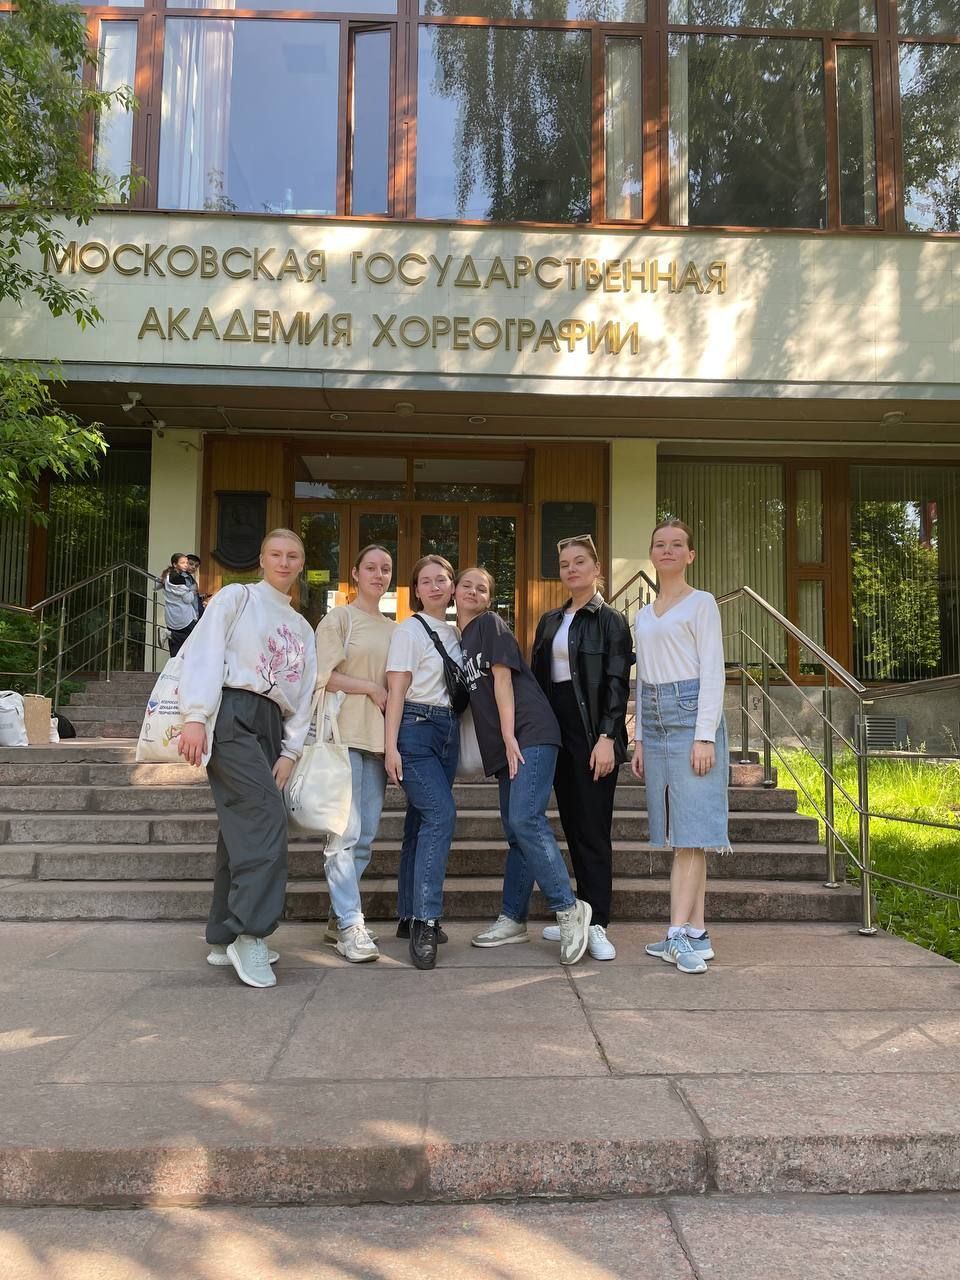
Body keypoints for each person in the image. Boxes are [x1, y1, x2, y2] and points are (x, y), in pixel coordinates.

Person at [177, 528, 317, 989]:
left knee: (242, 825)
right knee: (264, 817)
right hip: (231, 712)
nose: (284, 562)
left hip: (272, 724)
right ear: (261, 558)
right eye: (276, 553)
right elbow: (204, 650)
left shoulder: (301, 626)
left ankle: (224, 935)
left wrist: (291, 750)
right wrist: (195, 716)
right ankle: (251, 933)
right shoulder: (238, 597)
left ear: (301, 564)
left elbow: (303, 694)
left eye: (292, 555)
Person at [456, 568, 592, 965]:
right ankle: (513, 919)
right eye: (467, 585)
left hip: (528, 732)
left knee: (526, 819)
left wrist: (509, 735)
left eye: (482, 587)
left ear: (489, 598)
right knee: (516, 832)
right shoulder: (460, 641)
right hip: (507, 744)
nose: (474, 591)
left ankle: (569, 908)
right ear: (454, 592)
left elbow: (502, 680)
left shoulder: (490, 625)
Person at [530, 535, 633, 961]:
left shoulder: (611, 621)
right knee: (571, 827)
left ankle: (599, 923)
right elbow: (537, 683)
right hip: (556, 734)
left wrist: (607, 737)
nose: (571, 569)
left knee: (593, 830)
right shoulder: (549, 621)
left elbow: (616, 684)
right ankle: (578, 915)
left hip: (593, 736)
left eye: (579, 562)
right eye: (564, 564)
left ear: (596, 569)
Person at [635, 520, 730, 975]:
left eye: (677, 545)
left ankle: (676, 934)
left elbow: (713, 671)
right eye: (660, 544)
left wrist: (704, 735)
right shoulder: (644, 614)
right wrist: (638, 737)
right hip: (655, 722)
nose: (668, 550)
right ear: (652, 554)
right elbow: (642, 678)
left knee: (691, 834)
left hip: (691, 718)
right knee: (682, 833)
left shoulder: (702, 603)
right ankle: (697, 932)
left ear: (690, 555)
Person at [315, 544, 396, 963]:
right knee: (344, 836)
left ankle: (337, 918)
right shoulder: (339, 619)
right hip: (343, 737)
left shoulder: (396, 629)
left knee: (364, 839)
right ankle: (350, 924)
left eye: (386, 569)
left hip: (378, 743)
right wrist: (370, 688)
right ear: (355, 573)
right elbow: (323, 677)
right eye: (371, 568)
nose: (379, 575)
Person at [384, 554, 463, 970]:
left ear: (452, 586)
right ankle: (426, 921)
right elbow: (396, 692)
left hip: (447, 730)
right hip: (415, 728)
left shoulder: (456, 632)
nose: (435, 586)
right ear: (416, 590)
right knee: (440, 815)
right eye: (426, 581)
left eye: (442, 579)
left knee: (419, 823)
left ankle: (408, 914)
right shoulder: (408, 630)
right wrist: (391, 747)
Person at [161, 553, 200, 656]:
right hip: (184, 616)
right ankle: (170, 635)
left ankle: (174, 667)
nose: (192, 567)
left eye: (196, 566)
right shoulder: (181, 578)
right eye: (189, 563)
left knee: (176, 650)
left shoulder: (168, 576)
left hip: (172, 616)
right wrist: (193, 591)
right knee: (194, 640)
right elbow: (187, 598)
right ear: (175, 564)